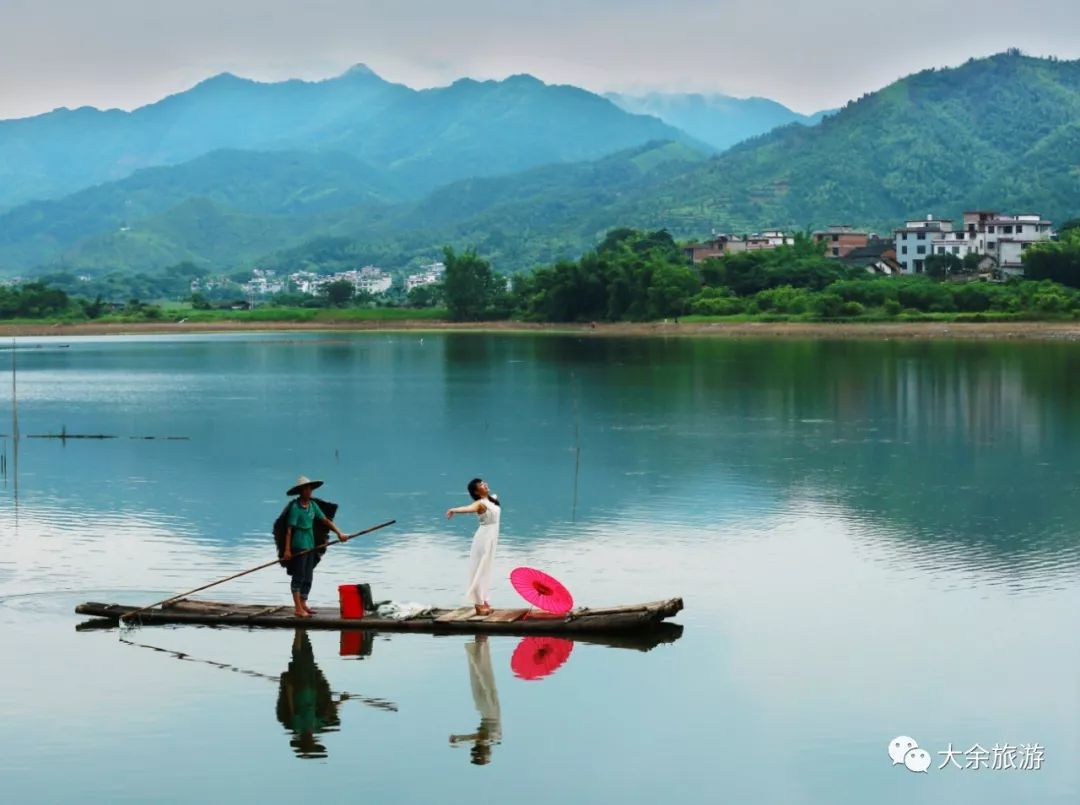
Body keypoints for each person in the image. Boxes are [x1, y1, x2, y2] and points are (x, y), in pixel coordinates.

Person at [283, 475, 348, 618]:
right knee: (298, 576)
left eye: (310, 488)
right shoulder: (295, 508)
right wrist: (287, 550)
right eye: (306, 489)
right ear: (301, 491)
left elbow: (325, 520)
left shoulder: (312, 505)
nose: (309, 491)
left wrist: (339, 533)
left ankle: (303, 603)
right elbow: (289, 530)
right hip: (299, 546)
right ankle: (298, 609)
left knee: (308, 576)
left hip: (310, 545)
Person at [276, 629, 343, 759]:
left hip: (302, 687)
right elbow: (329, 711)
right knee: (303, 659)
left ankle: (300, 632)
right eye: (312, 743)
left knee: (303, 659)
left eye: (309, 743)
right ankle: (300, 632)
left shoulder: (297, 726)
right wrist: (342, 700)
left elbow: (291, 706)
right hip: (309, 687)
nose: (311, 740)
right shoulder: (316, 727)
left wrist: (288, 687)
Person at [446, 478, 501, 616]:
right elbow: (468, 509)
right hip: (483, 539)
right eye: (481, 485)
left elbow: (493, 499)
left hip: (492, 538)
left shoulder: (492, 499)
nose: (485, 484)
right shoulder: (479, 504)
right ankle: (478, 604)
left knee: (487, 570)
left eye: (484, 482)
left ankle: (484, 600)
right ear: (476, 491)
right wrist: (454, 510)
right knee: (479, 570)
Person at [448, 635, 502, 765]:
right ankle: (482, 643)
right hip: (490, 712)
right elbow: (481, 737)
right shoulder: (492, 739)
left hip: (486, 713)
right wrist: (461, 738)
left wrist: (462, 740)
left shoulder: (489, 740)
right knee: (483, 679)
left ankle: (480, 643)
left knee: (479, 678)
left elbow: (478, 738)